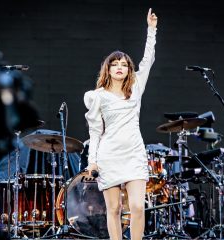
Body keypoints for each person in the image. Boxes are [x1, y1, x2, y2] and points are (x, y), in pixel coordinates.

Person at [84, 8, 158, 240]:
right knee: (114, 209)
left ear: (128, 70)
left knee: (137, 207)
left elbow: (148, 60)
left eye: (124, 64)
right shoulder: (98, 96)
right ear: (108, 68)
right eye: (115, 63)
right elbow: (95, 132)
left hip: (134, 153)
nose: (119, 67)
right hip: (109, 156)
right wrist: (92, 162)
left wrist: (151, 30)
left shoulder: (135, 88)